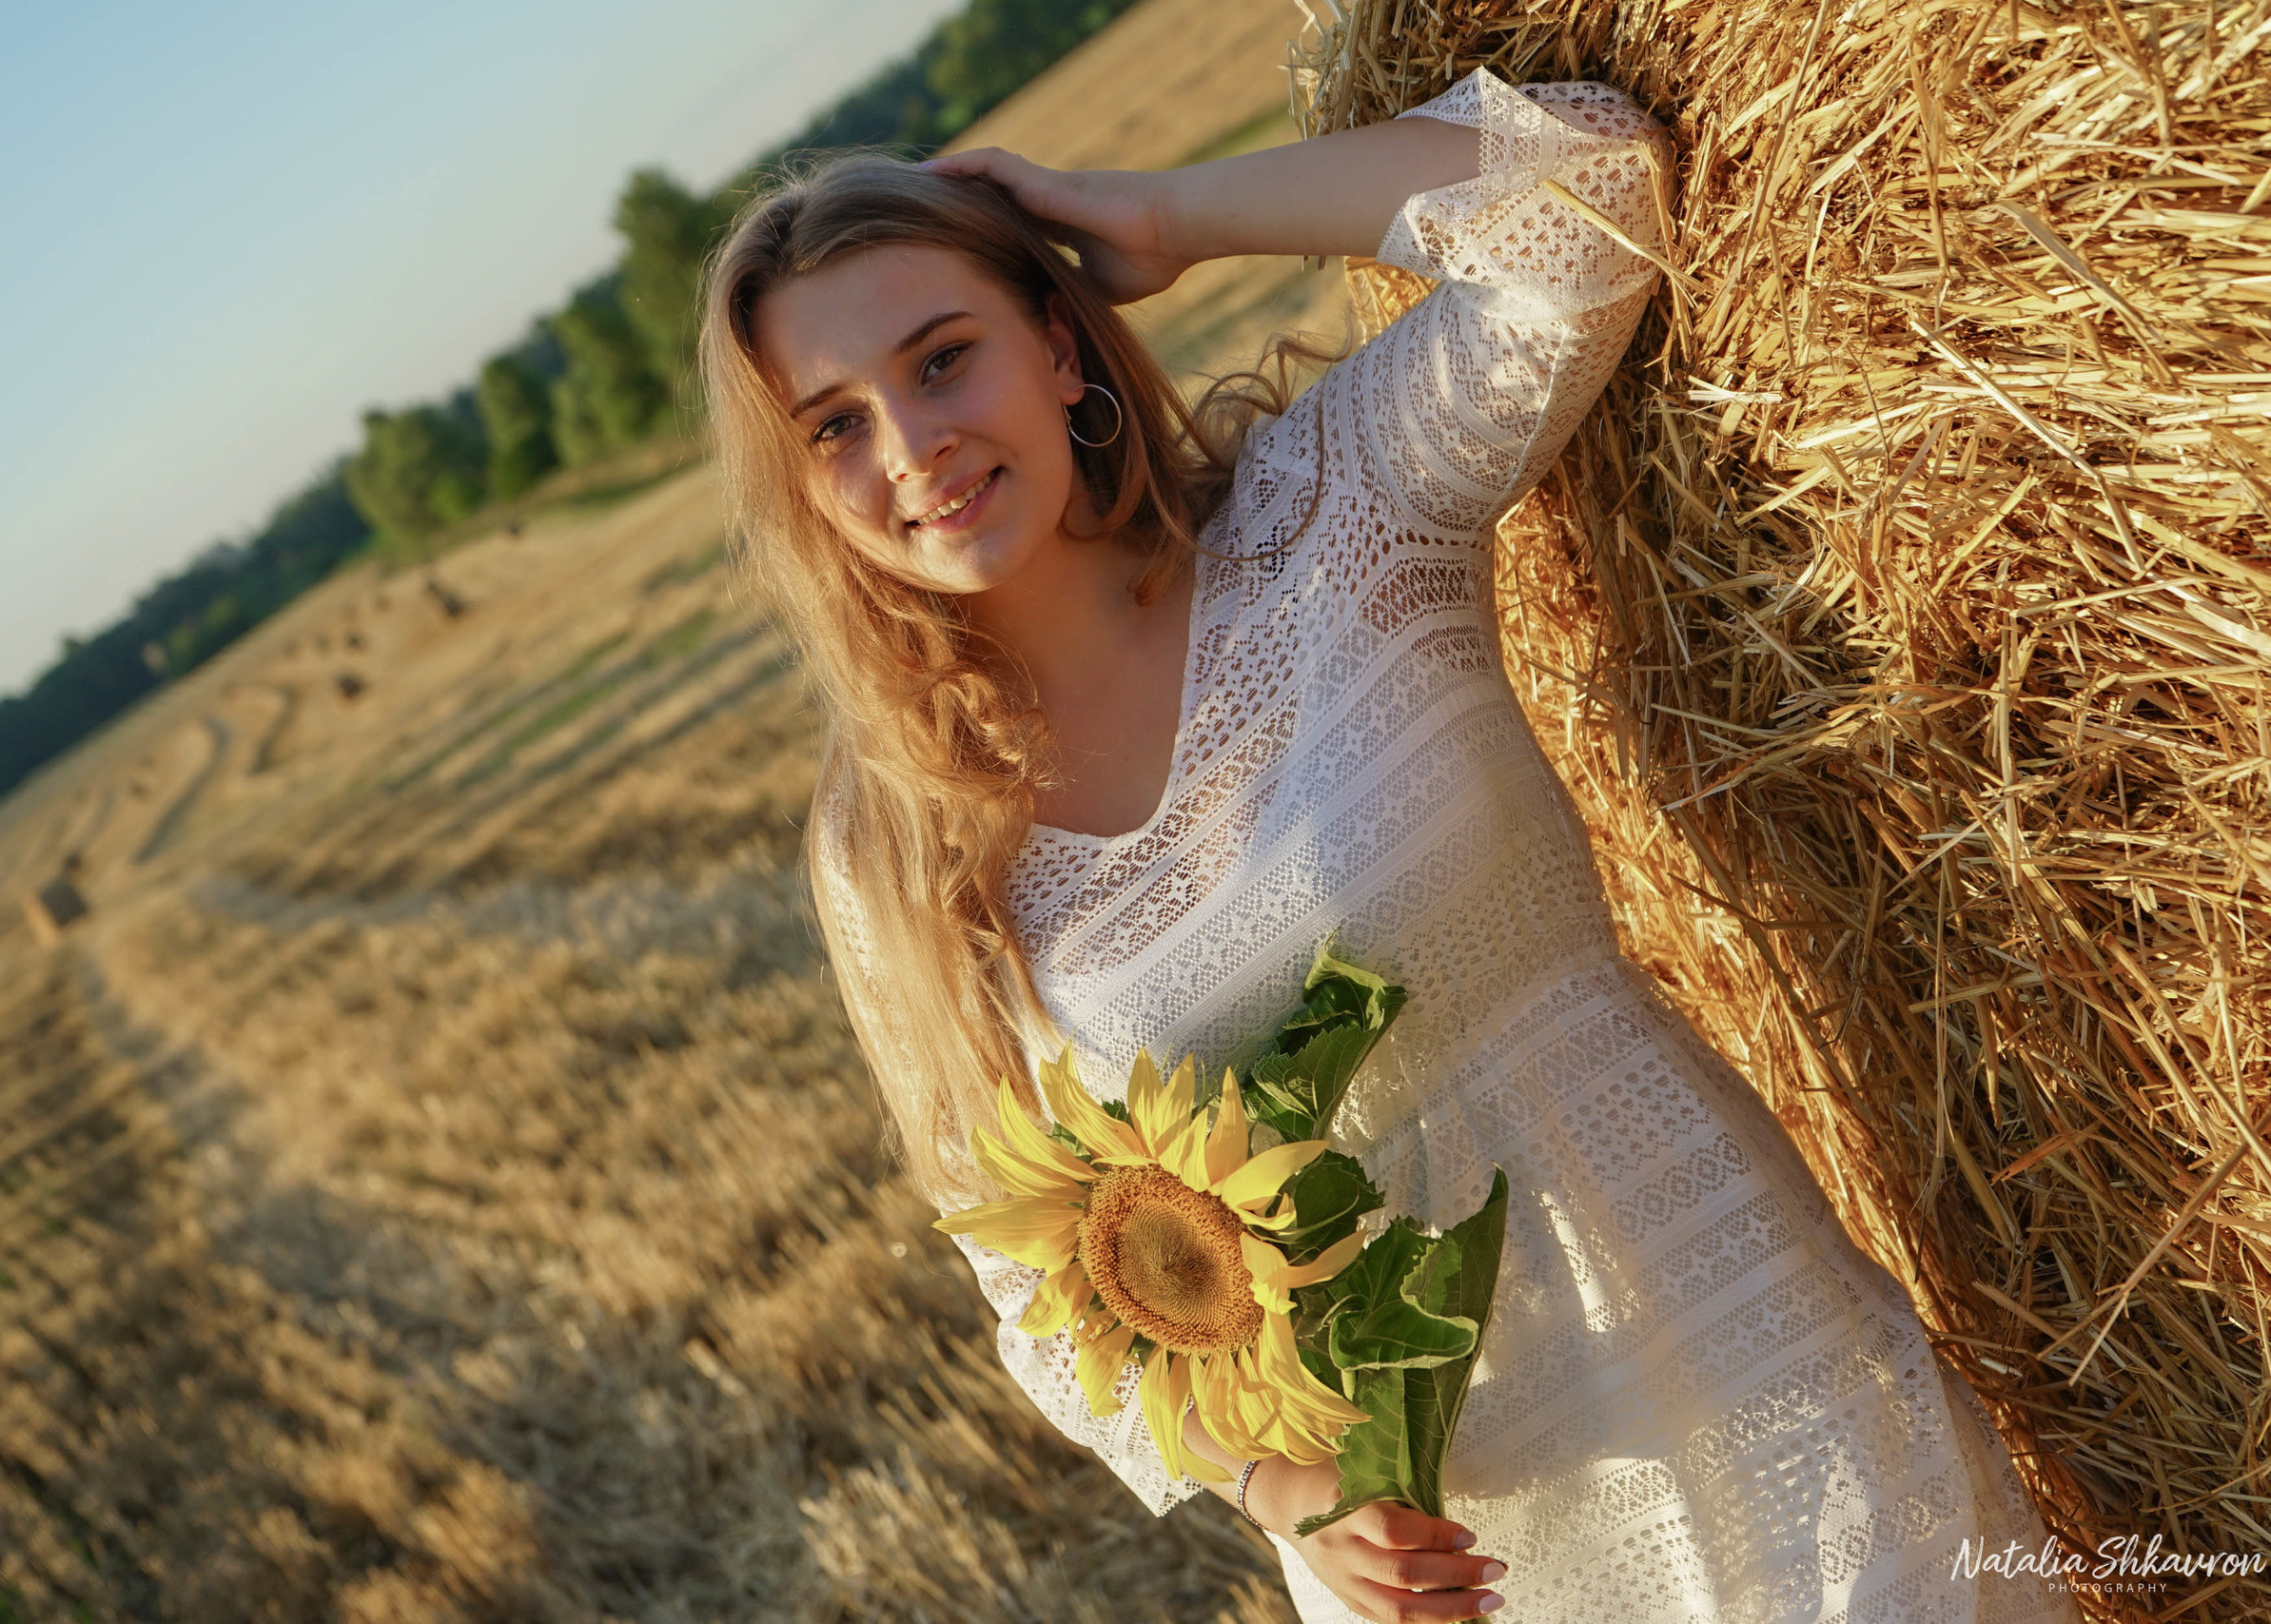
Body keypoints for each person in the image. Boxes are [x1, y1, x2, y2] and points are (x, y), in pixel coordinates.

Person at [697, 64, 2077, 1624]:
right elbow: (1039, 1296)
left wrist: (1170, 214)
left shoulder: (1331, 518)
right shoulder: (899, 843)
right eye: (835, 427)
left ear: (1059, 343)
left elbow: (1590, 201)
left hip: (1742, 1326)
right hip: (1441, 1536)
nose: (913, 446)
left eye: (944, 359)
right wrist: (1286, 1495)